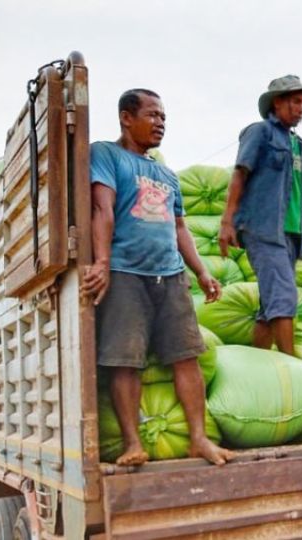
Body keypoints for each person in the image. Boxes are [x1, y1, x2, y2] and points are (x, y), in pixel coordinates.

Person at [82, 89, 235, 467]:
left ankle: (198, 439)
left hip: (170, 275)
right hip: (125, 273)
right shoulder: (106, 154)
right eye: (152, 115)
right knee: (125, 361)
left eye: (164, 117)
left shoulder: (166, 173)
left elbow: (179, 227)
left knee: (187, 358)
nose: (160, 123)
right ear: (125, 117)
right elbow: (101, 209)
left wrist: (201, 272)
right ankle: (133, 443)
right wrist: (102, 262)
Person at [219, 75, 302, 355]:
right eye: (296, 102)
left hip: (291, 234)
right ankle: (292, 365)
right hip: (263, 228)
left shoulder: (301, 146)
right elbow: (240, 172)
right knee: (284, 298)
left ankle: (259, 361)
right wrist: (227, 221)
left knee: (269, 305)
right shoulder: (260, 132)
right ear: (278, 102)